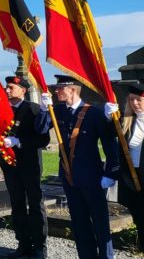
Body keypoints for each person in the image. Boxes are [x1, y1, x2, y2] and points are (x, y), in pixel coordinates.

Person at [47, 74, 118, 259]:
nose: (56, 91)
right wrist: (42, 109)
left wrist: (110, 173)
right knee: (79, 222)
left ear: (72, 89)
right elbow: (41, 129)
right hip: (69, 176)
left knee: (100, 222)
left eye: (60, 88)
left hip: (92, 176)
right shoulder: (57, 111)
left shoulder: (94, 113)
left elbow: (110, 143)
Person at [0, 76, 50, 259]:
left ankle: (39, 246)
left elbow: (42, 139)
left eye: (11, 87)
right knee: (17, 203)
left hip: (29, 164)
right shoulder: (1, 110)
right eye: (6, 87)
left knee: (36, 204)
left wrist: (19, 141)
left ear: (23, 89)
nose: (7, 90)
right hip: (10, 165)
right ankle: (23, 243)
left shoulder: (33, 109)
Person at [119, 83, 144, 253]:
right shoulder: (127, 121)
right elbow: (108, 132)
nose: (135, 103)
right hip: (133, 179)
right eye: (132, 100)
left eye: (139, 100)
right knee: (140, 221)